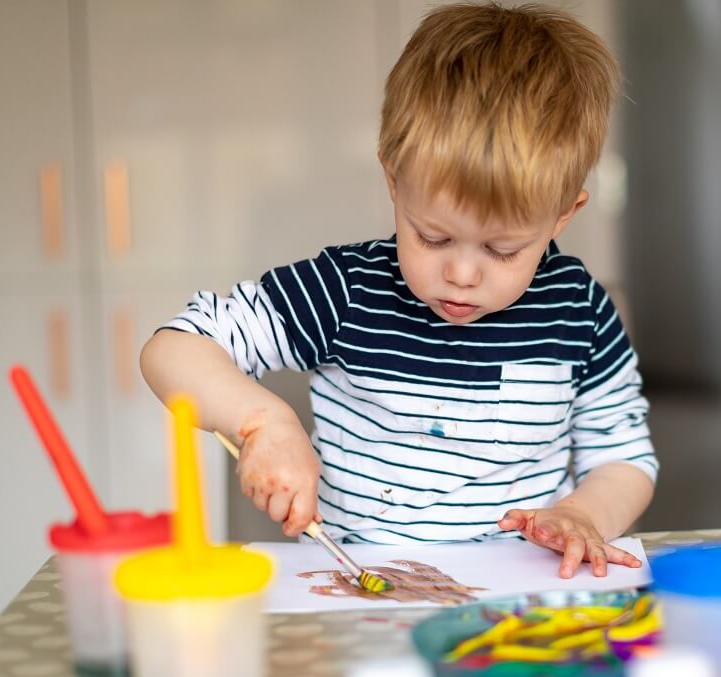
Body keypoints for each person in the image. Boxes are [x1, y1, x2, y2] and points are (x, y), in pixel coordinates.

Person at [140, 2, 657, 578]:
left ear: (564, 214)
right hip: (362, 598)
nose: (462, 273)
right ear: (394, 180)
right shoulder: (345, 289)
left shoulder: (579, 309)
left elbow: (625, 458)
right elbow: (173, 349)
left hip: (519, 604)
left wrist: (583, 513)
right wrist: (262, 421)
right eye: (433, 237)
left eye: (502, 250)